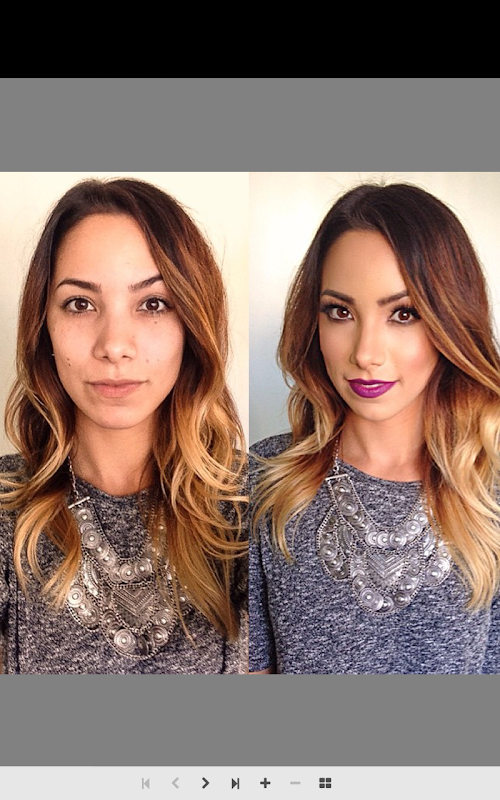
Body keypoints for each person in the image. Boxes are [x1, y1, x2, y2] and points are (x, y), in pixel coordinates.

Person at [250, 182, 500, 674]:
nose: (366, 353)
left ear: (450, 323)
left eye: (403, 314)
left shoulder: (489, 496)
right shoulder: (261, 481)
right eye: (340, 312)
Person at [0, 177, 247, 674]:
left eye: (153, 303)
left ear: (192, 326)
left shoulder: (249, 507)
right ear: (44, 326)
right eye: (80, 303)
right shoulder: (8, 515)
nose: (114, 345)